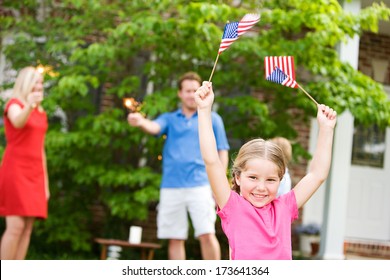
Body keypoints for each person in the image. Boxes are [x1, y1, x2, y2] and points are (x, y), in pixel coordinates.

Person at [195, 81, 337, 260]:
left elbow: (317, 175)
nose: (261, 187)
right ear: (238, 177)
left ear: (281, 180)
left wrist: (326, 129)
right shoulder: (232, 206)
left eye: (270, 180)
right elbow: (211, 161)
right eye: (253, 177)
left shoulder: (284, 208)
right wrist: (204, 110)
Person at [127, 72, 230, 260]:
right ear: (180, 94)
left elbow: (222, 151)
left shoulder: (213, 118)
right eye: (187, 91)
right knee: (174, 238)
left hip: (201, 185)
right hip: (171, 186)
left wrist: (220, 185)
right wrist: (141, 121)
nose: (192, 94)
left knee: (206, 234)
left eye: (195, 90)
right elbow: (154, 127)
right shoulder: (170, 118)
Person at [0, 66, 49, 260]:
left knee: (28, 228)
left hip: (35, 173)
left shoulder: (41, 111)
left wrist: (45, 183)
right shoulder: (14, 104)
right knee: (16, 227)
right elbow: (18, 122)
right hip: (16, 170)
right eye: (35, 82)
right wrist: (29, 106)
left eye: (41, 83)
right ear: (25, 83)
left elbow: (41, 148)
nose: (39, 86)